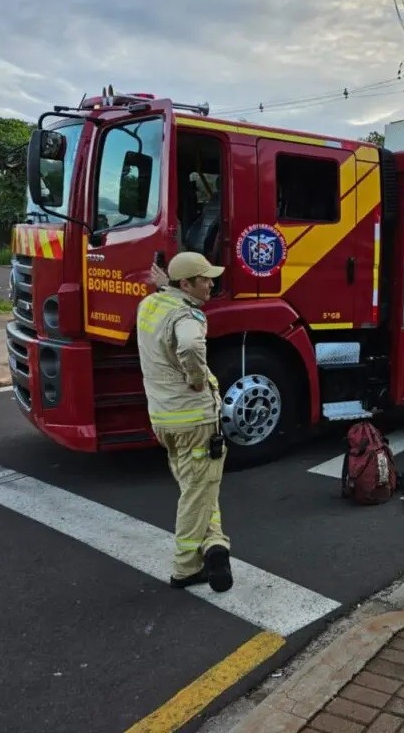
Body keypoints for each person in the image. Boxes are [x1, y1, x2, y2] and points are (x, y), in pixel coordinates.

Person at [136, 251, 233, 592]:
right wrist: (195, 377)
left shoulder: (149, 306)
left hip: (163, 419)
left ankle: (215, 544)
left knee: (198, 486)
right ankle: (185, 567)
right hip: (194, 420)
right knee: (198, 491)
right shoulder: (187, 315)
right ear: (186, 284)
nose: (212, 283)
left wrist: (166, 285)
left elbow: (166, 301)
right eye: (204, 278)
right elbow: (191, 346)